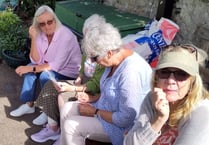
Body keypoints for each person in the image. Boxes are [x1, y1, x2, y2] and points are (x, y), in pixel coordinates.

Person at [58, 15, 153, 145]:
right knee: (67, 109)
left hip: (121, 128)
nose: (92, 62)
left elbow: (126, 119)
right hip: (105, 111)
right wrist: (92, 99)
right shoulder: (114, 61)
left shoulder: (130, 72)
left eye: (94, 58)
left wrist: (95, 112)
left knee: (71, 126)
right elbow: (111, 94)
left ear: (108, 52)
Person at [29, 14, 106, 144]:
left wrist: (73, 87)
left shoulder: (102, 54)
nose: (86, 39)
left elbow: (95, 85)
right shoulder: (88, 48)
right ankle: (53, 129)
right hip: (83, 84)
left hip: (94, 90)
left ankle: (64, 133)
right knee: (50, 85)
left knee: (62, 94)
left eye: (88, 35)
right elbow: (82, 68)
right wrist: (79, 77)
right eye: (85, 35)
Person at [123, 44, 209, 145]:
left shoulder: (202, 112)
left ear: (192, 82)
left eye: (181, 74)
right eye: (164, 72)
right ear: (156, 78)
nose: (170, 80)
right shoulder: (152, 98)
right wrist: (159, 119)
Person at [10, 5, 82, 117]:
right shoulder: (40, 33)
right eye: (42, 24)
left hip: (68, 72)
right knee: (30, 69)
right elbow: (35, 60)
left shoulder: (65, 36)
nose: (47, 26)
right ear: (38, 25)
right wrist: (33, 38)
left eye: (50, 22)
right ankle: (29, 105)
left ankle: (48, 110)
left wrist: (31, 68)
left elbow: (57, 65)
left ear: (55, 20)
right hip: (48, 67)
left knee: (44, 75)